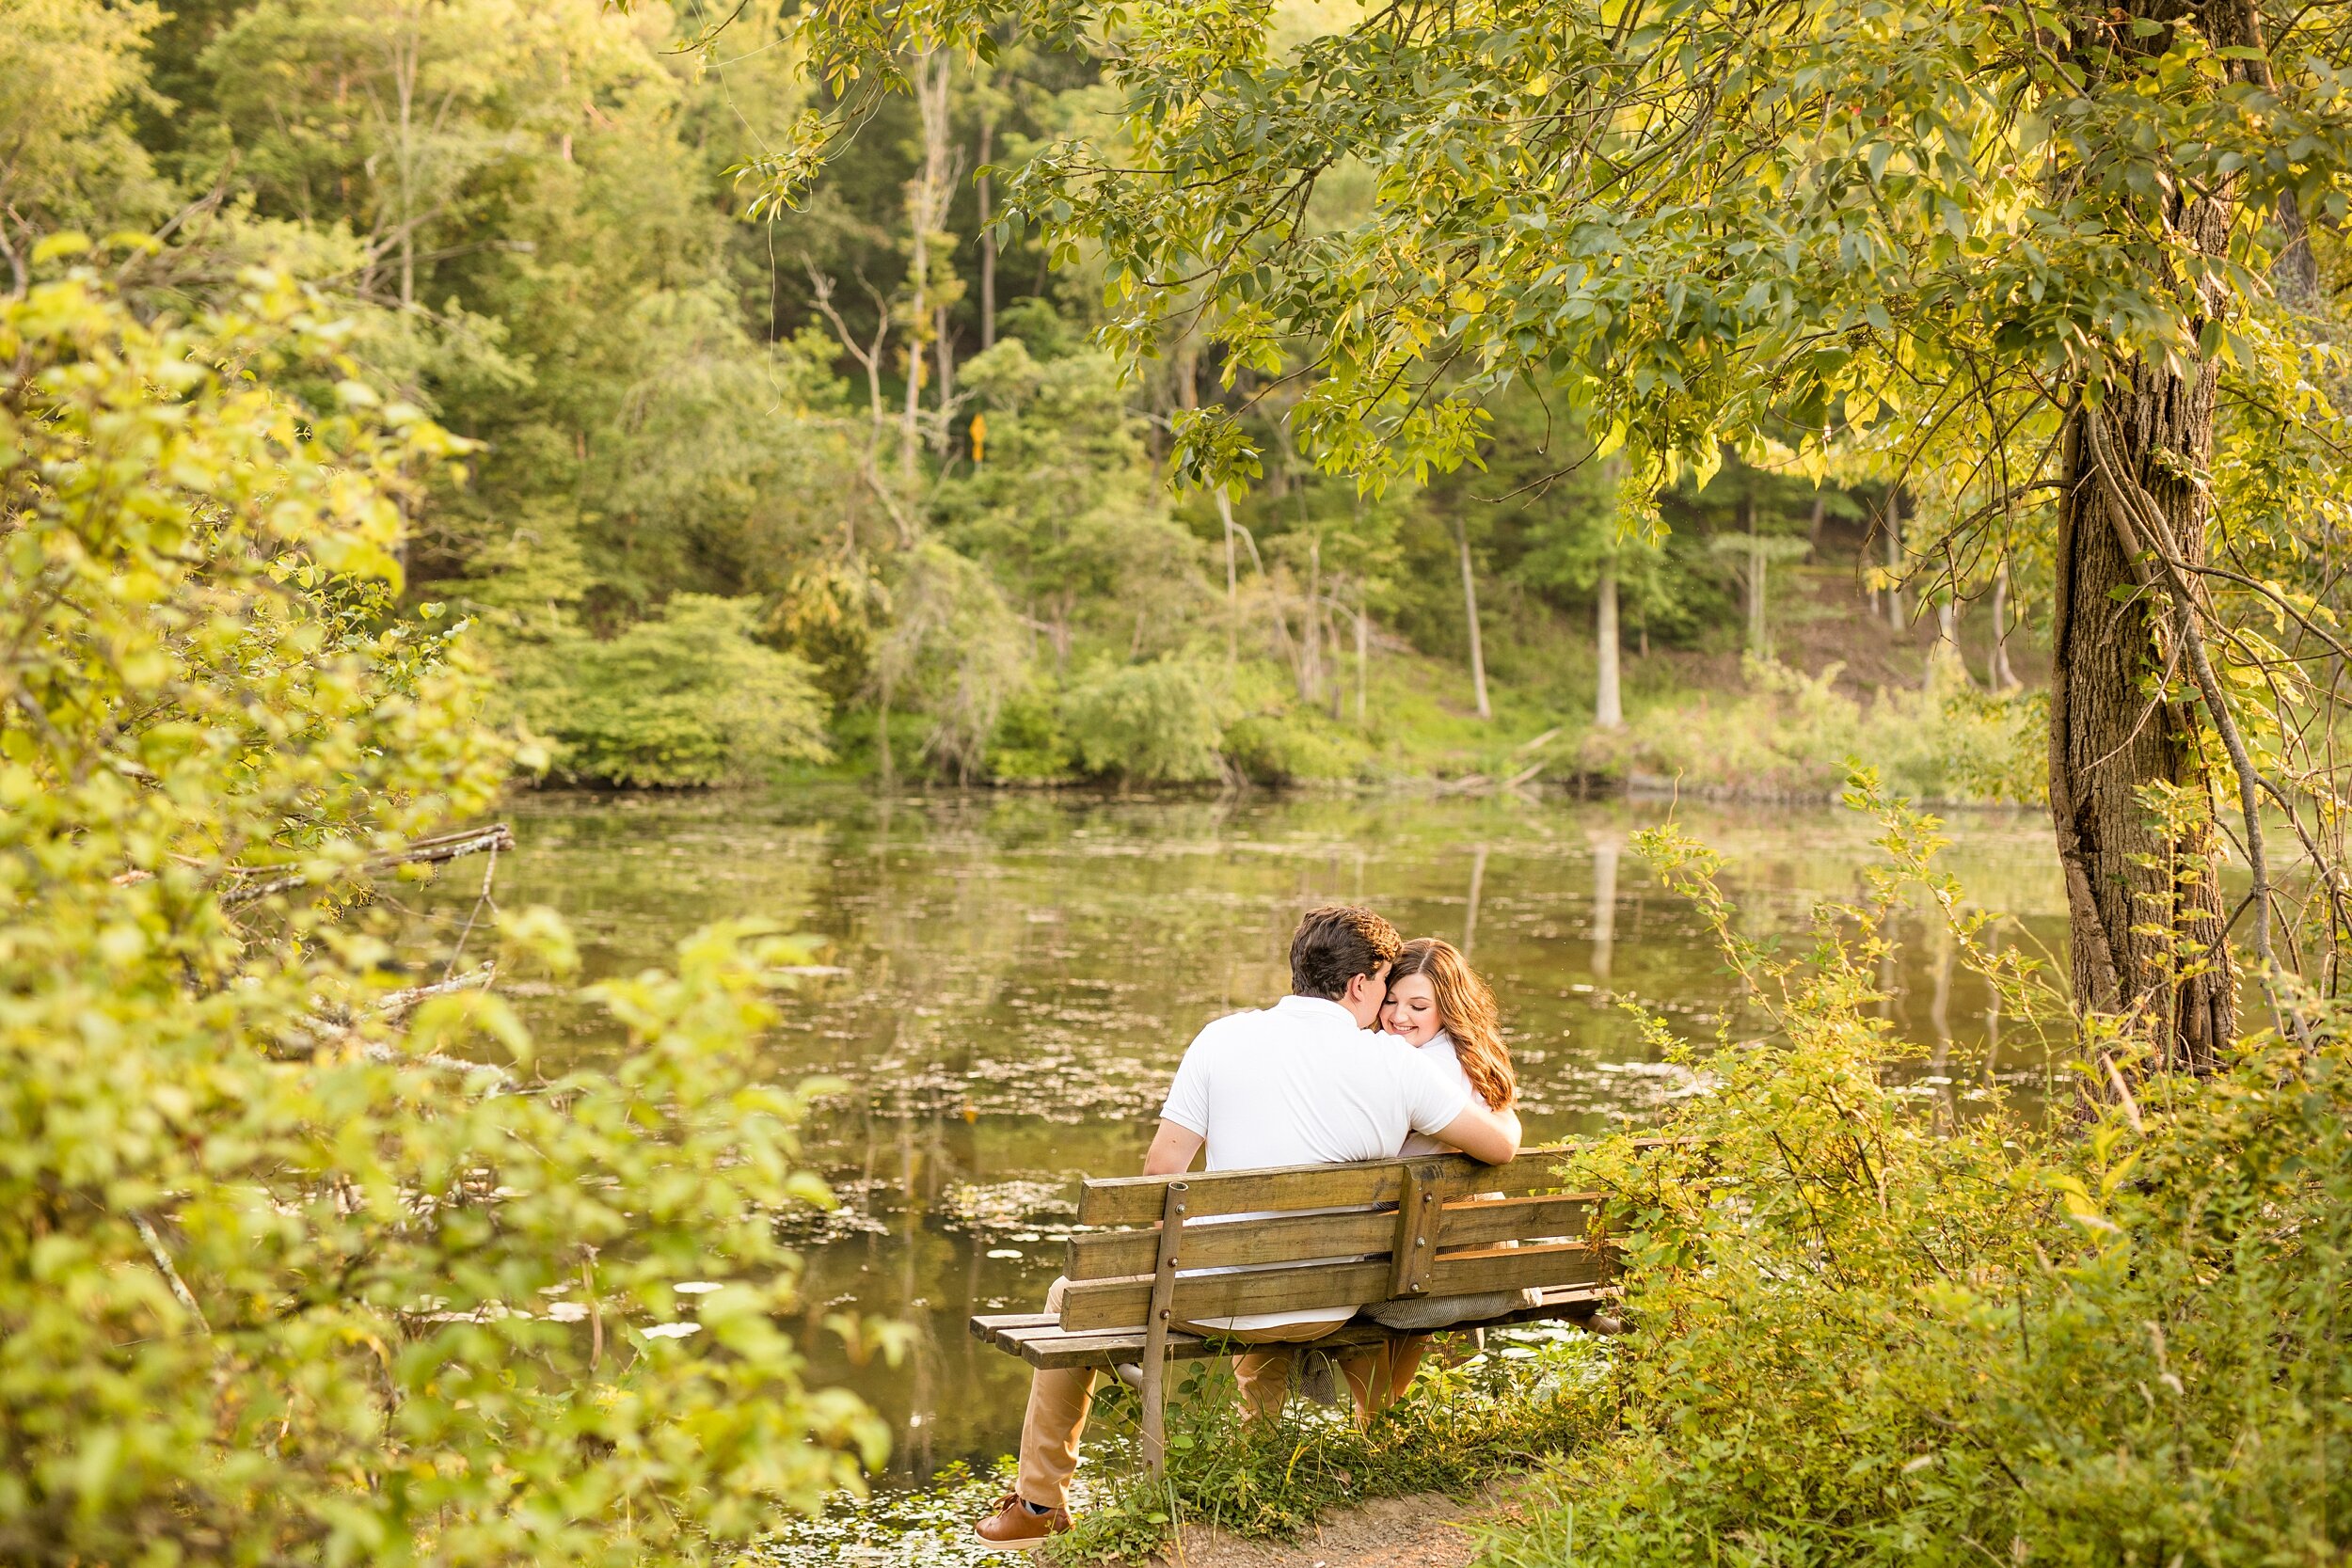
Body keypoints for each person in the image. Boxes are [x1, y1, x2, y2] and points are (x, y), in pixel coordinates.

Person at [974, 905, 1523, 1548]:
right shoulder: (1395, 1064)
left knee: (1070, 1299)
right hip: (1331, 1301)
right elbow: (1500, 1145)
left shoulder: (1220, 1038)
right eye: (1383, 985)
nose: (1387, 1005)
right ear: (1360, 984)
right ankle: (1274, 1458)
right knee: (1298, 1263)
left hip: (1216, 1303)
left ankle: (1039, 1507)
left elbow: (1162, 1171)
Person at [1368, 937, 1520, 1407]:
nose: (1398, 1016)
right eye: (1390, 1001)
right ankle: (1379, 1419)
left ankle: (1372, 1418)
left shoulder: (1409, 1067)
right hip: (1460, 1249)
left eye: (1418, 1005)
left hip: (1415, 1260)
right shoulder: (1473, 1057)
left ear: (1447, 1007)